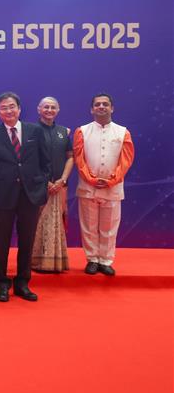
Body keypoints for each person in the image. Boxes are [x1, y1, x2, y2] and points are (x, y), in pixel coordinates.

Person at [0, 92, 50, 302]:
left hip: (30, 196)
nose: (8, 111)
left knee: (27, 241)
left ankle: (22, 282)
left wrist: (40, 188)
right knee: (1, 241)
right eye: (3, 108)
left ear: (19, 109)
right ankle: (2, 282)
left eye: (12, 106)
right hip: (3, 197)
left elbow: (46, 163)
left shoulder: (35, 131)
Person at [73, 93, 134, 276]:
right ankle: (92, 259)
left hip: (113, 187)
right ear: (91, 109)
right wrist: (90, 178)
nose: (101, 107)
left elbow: (126, 160)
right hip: (87, 186)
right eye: (97, 104)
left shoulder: (123, 132)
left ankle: (106, 260)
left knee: (109, 226)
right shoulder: (82, 131)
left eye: (105, 104)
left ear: (112, 108)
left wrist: (112, 180)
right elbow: (79, 158)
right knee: (89, 226)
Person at [32, 97, 74, 273]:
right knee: (37, 224)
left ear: (58, 110)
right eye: (46, 107)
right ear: (38, 109)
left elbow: (70, 157)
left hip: (60, 187)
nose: (49, 110)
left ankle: (56, 262)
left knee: (58, 224)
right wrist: (46, 182)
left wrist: (62, 180)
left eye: (53, 107)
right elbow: (29, 160)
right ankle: (36, 262)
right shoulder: (31, 131)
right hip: (39, 187)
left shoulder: (64, 132)